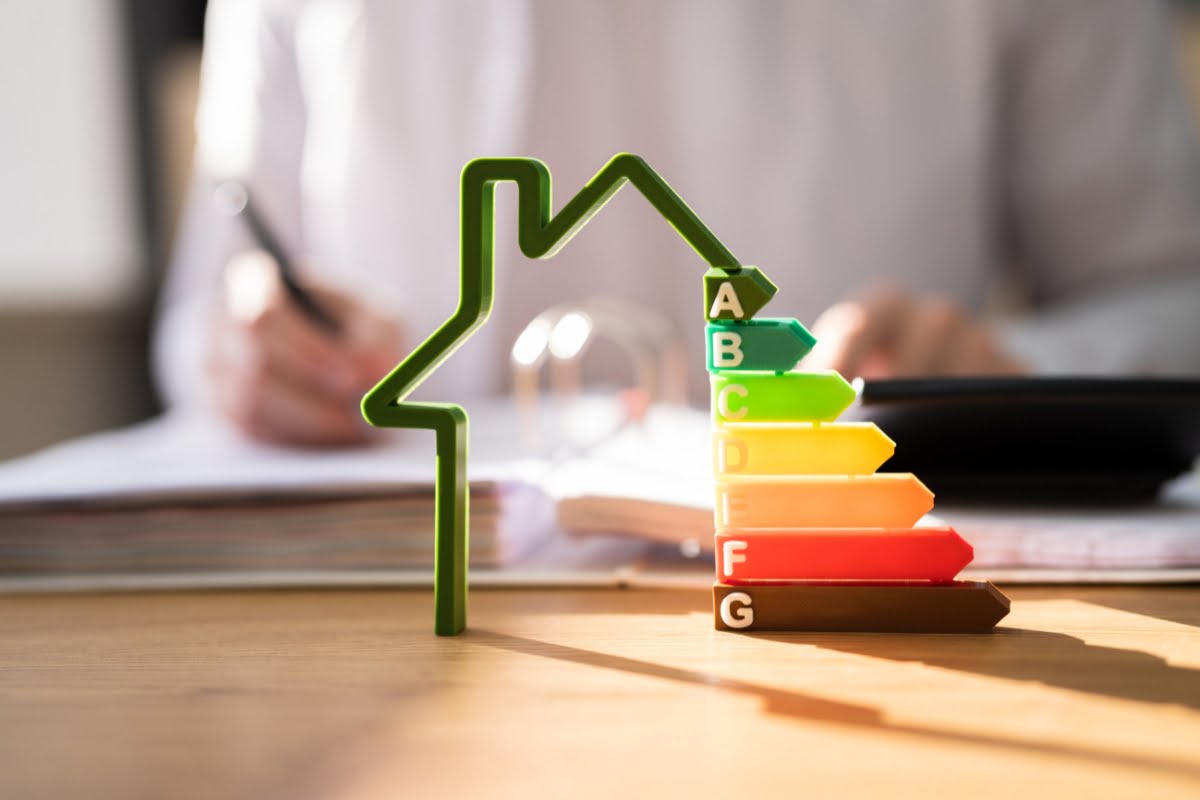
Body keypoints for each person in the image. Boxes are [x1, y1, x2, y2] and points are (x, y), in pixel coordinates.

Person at [155, 0, 1200, 446]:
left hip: (861, 597)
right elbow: (211, 303)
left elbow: (1172, 289)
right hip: (395, 629)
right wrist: (251, 350)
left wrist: (1009, 366)